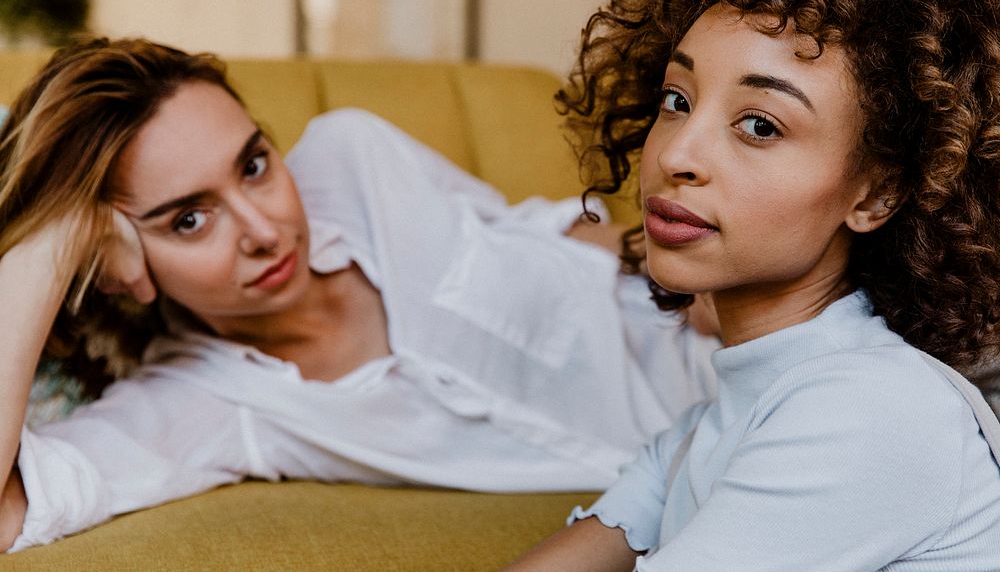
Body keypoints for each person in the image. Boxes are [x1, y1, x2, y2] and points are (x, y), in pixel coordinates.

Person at [0, 38, 719, 552]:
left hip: (730, 328)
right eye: (189, 218)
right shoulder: (207, 403)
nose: (264, 227)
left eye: (254, 165)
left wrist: (705, 276)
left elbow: (539, 228)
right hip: (706, 469)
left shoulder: (353, 154)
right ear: (117, 263)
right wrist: (53, 242)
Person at [508, 0, 1000, 569]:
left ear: (878, 193)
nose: (679, 152)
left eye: (760, 125)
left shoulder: (874, 410)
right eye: (677, 100)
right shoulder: (715, 422)